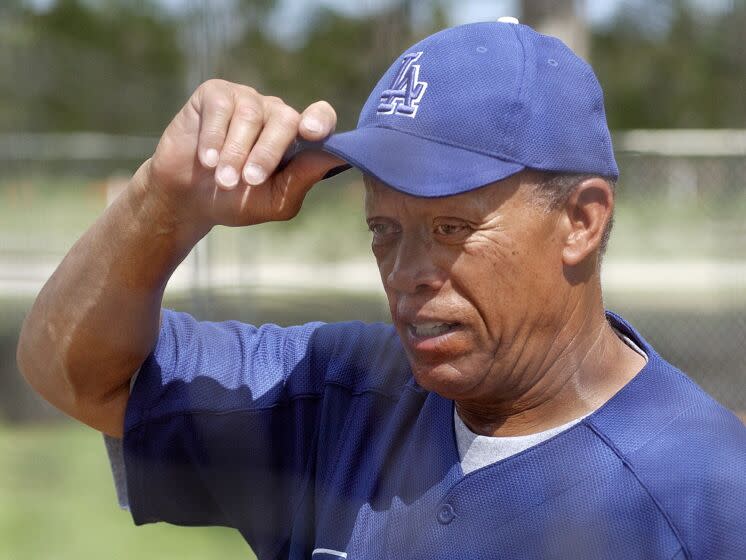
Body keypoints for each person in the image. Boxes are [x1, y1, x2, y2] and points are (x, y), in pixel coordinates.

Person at [17, 19, 745, 560]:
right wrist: (164, 200)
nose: (407, 274)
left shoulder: (705, 493)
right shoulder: (339, 396)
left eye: (453, 228)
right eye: (383, 230)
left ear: (581, 220)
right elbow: (78, 374)